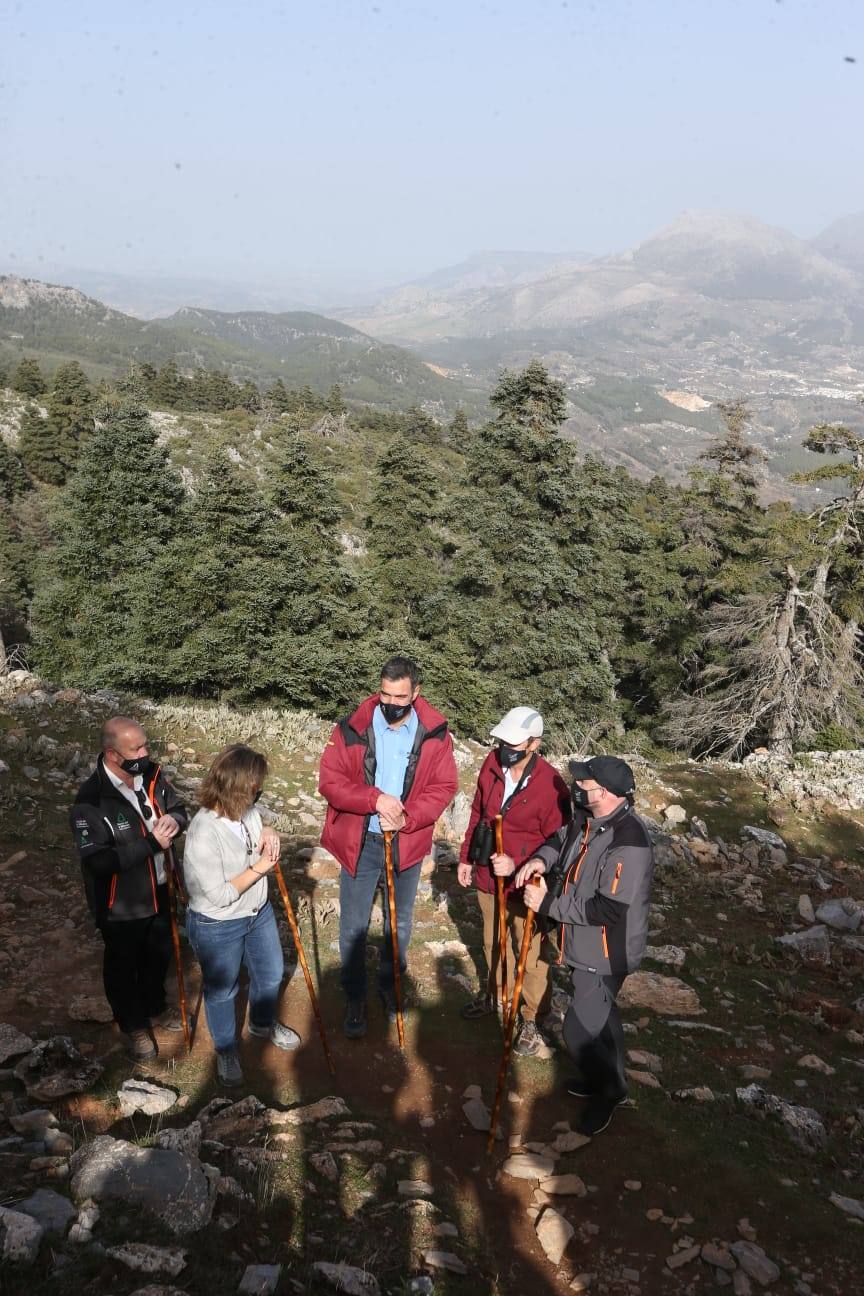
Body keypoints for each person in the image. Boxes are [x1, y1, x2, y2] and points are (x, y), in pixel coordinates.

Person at [319, 655, 458, 1039]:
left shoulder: (436, 733)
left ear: (416, 693)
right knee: (353, 924)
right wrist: (374, 799)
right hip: (361, 840)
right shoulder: (351, 728)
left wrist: (408, 816)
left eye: (400, 697)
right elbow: (330, 783)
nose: (391, 703)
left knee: (399, 922)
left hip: (407, 841)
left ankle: (390, 985)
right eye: (385, 694)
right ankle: (354, 995)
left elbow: (443, 787)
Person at [518, 756, 653, 1136]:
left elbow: (607, 909)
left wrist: (546, 905)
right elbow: (560, 842)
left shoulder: (629, 841)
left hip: (608, 951)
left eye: (585, 783)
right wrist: (540, 862)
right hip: (583, 943)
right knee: (602, 1016)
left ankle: (608, 1093)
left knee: (578, 1031)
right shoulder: (586, 818)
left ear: (605, 793)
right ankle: (611, 1083)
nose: (577, 786)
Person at [70, 716, 189, 1060]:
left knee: (159, 953)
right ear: (112, 754)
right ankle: (133, 1025)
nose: (145, 753)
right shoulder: (90, 801)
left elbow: (179, 809)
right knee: (123, 965)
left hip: (162, 889)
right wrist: (152, 844)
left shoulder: (152, 775)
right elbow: (99, 862)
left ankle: (154, 1005)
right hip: (120, 903)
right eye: (136, 748)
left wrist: (175, 821)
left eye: (146, 744)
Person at [182, 743, 301, 1087]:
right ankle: (226, 1049)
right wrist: (263, 867)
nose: (259, 791)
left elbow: (254, 833)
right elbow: (217, 895)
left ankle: (262, 1023)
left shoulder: (247, 811)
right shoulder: (204, 832)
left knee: (271, 972)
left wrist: (268, 832)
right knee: (222, 990)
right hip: (217, 923)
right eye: (255, 786)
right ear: (236, 787)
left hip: (256, 912)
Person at [457, 706, 570, 1056]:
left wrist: (519, 863)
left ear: (534, 743)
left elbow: (558, 842)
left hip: (526, 884)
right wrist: (466, 857)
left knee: (531, 953)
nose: (505, 746)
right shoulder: (491, 764)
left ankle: (533, 1017)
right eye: (503, 740)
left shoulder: (551, 785)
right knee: (493, 941)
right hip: (489, 876)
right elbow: (478, 812)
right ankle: (497, 997)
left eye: (514, 742)